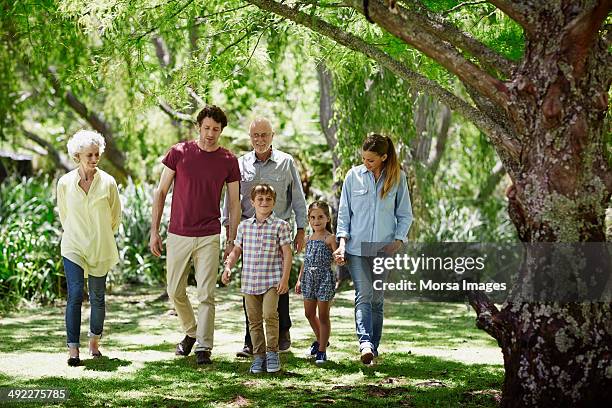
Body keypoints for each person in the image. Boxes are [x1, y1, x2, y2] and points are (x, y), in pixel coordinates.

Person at [149, 105, 241, 365]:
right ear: (198, 126)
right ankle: (191, 331)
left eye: (216, 129)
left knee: (206, 294)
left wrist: (231, 240)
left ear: (221, 130)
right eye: (207, 128)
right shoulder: (179, 152)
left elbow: (234, 203)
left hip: (210, 235)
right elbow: (161, 192)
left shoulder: (228, 160)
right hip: (178, 232)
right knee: (174, 290)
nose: (210, 133)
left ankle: (204, 346)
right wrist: (154, 231)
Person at [222, 117, 307, 357]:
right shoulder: (240, 164)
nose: (260, 140)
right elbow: (231, 201)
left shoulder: (285, 162)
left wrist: (301, 229)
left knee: (279, 283)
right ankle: (250, 341)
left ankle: (282, 332)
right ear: (250, 138)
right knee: (251, 286)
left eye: (264, 135)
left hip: (278, 233)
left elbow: (298, 198)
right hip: (249, 235)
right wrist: (229, 232)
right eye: (255, 136)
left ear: (272, 136)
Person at [333, 133, 413, 365]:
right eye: (364, 158)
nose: (366, 163)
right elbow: (344, 214)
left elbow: (405, 215)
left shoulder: (398, 179)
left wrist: (398, 240)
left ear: (384, 157)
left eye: (371, 160)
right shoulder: (353, 176)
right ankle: (365, 342)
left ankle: (373, 350)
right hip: (357, 249)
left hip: (383, 249)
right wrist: (342, 244)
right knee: (364, 294)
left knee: (377, 299)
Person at [56, 129, 122, 366]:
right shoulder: (64, 183)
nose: (94, 159)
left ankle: (94, 341)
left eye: (97, 154)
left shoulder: (108, 182)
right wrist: (79, 231)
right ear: (77, 156)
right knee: (74, 294)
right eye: (89, 156)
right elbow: (64, 215)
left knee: (97, 297)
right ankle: (73, 350)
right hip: (73, 244)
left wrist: (100, 232)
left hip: (100, 245)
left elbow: (115, 216)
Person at [222, 184, 293, 374]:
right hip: (249, 282)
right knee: (253, 320)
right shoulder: (244, 226)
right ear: (252, 202)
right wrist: (228, 266)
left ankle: (272, 353)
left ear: (274, 202)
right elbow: (237, 250)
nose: (264, 202)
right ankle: (258, 356)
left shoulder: (281, 226)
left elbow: (287, 254)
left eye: (268, 199)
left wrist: (285, 279)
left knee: (270, 315)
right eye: (260, 199)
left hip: (271, 280)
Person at [295, 201, 339, 365]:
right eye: (313, 217)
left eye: (320, 217)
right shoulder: (308, 239)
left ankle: (321, 351)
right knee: (308, 313)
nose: (316, 221)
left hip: (324, 279)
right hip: (308, 279)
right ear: (308, 219)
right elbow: (306, 261)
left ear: (327, 218)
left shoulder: (330, 238)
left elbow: (337, 258)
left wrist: (339, 259)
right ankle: (322, 339)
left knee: (323, 316)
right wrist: (299, 279)